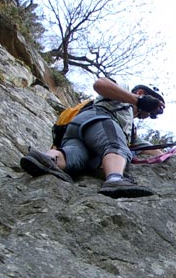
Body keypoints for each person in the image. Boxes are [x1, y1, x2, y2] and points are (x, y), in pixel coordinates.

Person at [20, 77, 166, 198]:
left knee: (75, 157)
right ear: (141, 92)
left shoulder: (130, 128)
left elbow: (148, 149)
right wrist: (139, 100)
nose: (149, 115)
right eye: (151, 110)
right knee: (116, 146)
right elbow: (100, 84)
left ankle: (47, 159)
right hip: (99, 119)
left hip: (76, 132)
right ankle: (115, 179)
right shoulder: (123, 91)